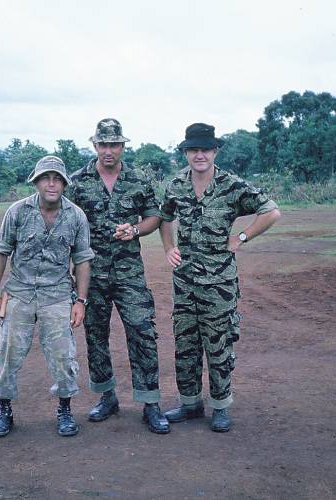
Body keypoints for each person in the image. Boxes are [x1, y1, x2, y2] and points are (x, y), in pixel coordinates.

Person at [160, 123, 281, 432]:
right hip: (184, 283)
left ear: (215, 152)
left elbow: (271, 211)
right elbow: (164, 216)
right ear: (186, 153)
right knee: (186, 345)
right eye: (193, 150)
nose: (199, 155)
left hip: (219, 285)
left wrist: (241, 237)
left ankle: (220, 406)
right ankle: (190, 404)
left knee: (219, 346)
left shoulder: (232, 185)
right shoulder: (176, 185)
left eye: (205, 149)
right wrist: (169, 247)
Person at [66, 118, 170, 434]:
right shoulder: (77, 182)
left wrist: (135, 229)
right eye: (103, 144)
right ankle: (107, 397)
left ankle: (150, 403)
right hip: (91, 274)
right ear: (95, 145)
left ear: (123, 146)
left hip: (129, 273)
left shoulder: (138, 179)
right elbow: (66, 224)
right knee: (95, 335)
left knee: (142, 332)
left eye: (114, 144)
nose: (108, 150)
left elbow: (154, 216)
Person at [0, 155, 94, 437]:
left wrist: (80, 301)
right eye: (45, 178)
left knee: (63, 356)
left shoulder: (76, 216)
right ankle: (4, 410)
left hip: (57, 295)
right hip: (19, 293)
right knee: (8, 353)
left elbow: (82, 260)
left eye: (57, 179)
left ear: (65, 184)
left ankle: (65, 410)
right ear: (36, 182)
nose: (51, 184)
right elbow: (0, 252)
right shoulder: (17, 212)